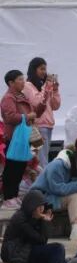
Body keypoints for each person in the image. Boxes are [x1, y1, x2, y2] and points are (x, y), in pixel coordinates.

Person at [1, 68, 48, 207]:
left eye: (23, 79)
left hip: (24, 137)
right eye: (20, 79)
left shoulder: (21, 96)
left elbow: (35, 112)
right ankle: (8, 197)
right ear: (11, 83)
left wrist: (44, 101)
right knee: (12, 168)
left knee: (20, 167)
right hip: (14, 138)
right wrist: (26, 117)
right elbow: (9, 117)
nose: (23, 82)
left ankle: (14, 195)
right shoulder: (8, 98)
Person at [0, 188, 65, 263]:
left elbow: (43, 241)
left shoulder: (33, 217)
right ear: (31, 206)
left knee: (61, 260)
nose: (42, 209)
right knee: (57, 249)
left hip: (26, 250)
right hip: (15, 252)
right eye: (39, 206)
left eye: (42, 206)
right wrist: (42, 219)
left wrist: (44, 221)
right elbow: (39, 239)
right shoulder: (20, 219)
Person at [31, 144, 77, 241]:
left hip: (54, 197)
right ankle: (75, 228)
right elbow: (57, 189)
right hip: (41, 198)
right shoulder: (56, 166)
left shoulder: (76, 168)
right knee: (73, 195)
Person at [24, 57, 61, 170]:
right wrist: (47, 86)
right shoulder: (28, 85)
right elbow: (36, 102)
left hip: (48, 125)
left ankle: (40, 178)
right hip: (37, 126)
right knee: (41, 160)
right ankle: (42, 180)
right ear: (34, 69)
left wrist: (55, 90)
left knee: (43, 158)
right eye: (41, 69)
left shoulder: (43, 86)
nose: (44, 72)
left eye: (45, 69)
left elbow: (55, 106)